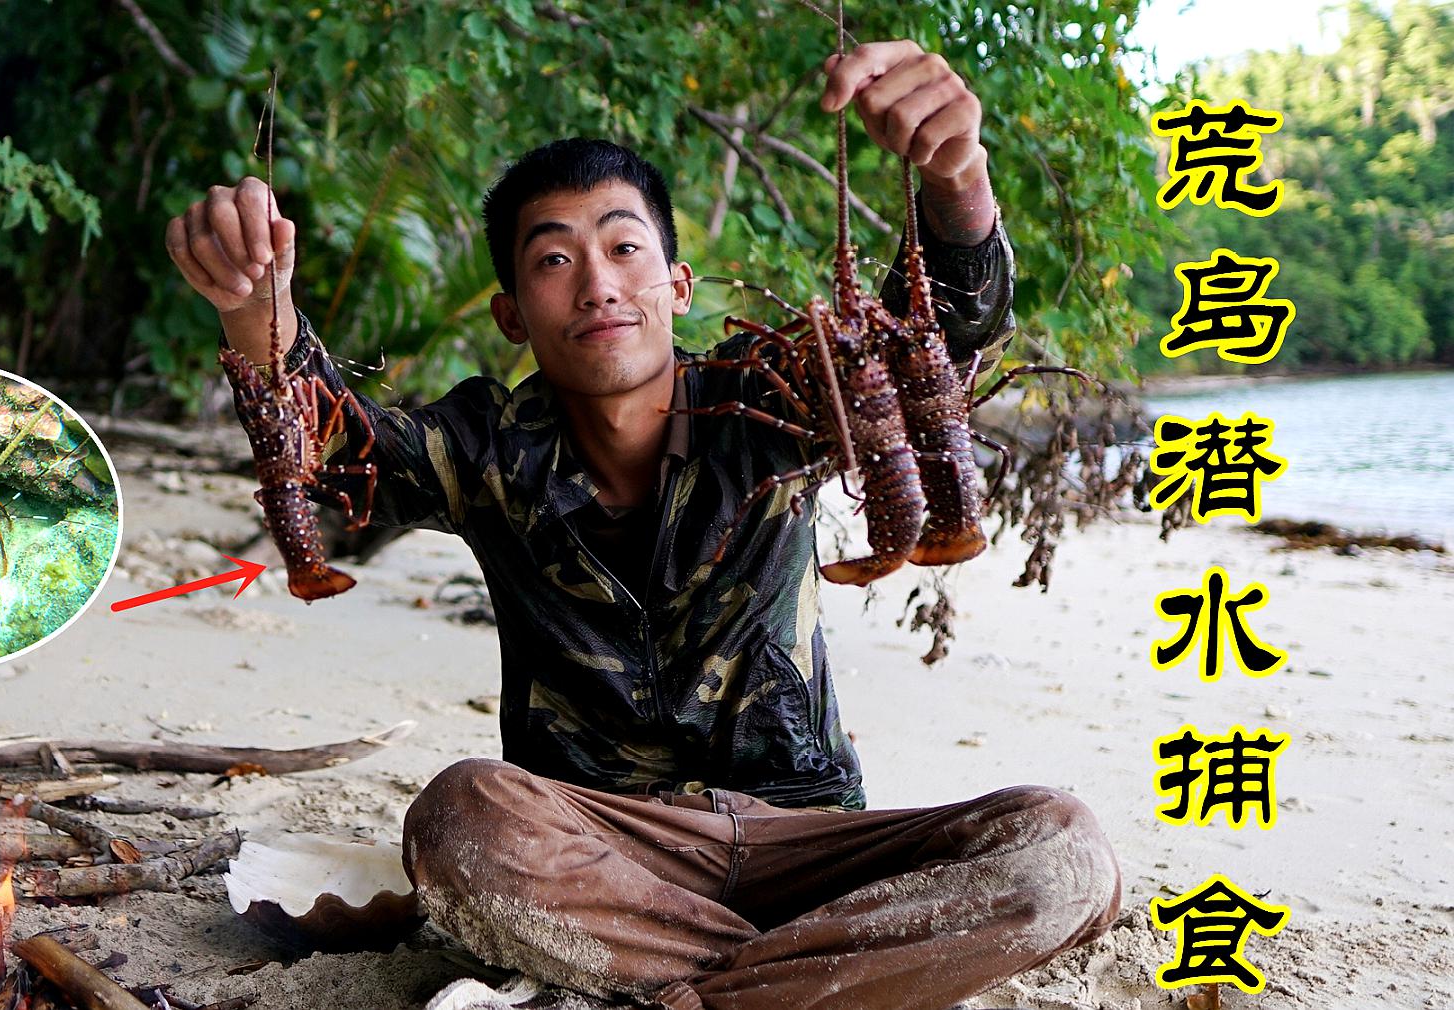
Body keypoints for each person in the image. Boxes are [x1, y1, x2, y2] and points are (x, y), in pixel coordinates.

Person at [167, 41, 1120, 1010]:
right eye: (553, 258)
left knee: (1062, 849)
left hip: (809, 838)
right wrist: (257, 305)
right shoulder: (484, 447)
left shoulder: (778, 400)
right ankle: (805, 981)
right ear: (509, 312)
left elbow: (931, 346)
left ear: (679, 284)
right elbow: (337, 454)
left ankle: (689, 990)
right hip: (598, 848)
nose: (598, 283)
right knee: (461, 815)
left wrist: (957, 179)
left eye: (625, 247)